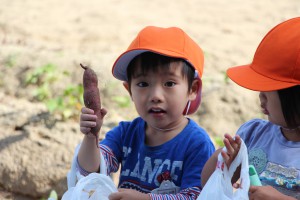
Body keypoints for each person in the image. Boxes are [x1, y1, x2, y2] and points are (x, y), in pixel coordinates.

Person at [77, 26, 215, 200]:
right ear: (129, 90)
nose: (156, 96)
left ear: (192, 89)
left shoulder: (197, 143)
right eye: (143, 84)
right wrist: (91, 137)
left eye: (169, 83)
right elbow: (91, 171)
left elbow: (195, 196)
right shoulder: (125, 134)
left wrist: (147, 199)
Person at [201, 17, 300, 200]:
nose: (261, 95)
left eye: (270, 88)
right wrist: (224, 162)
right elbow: (207, 183)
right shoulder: (253, 134)